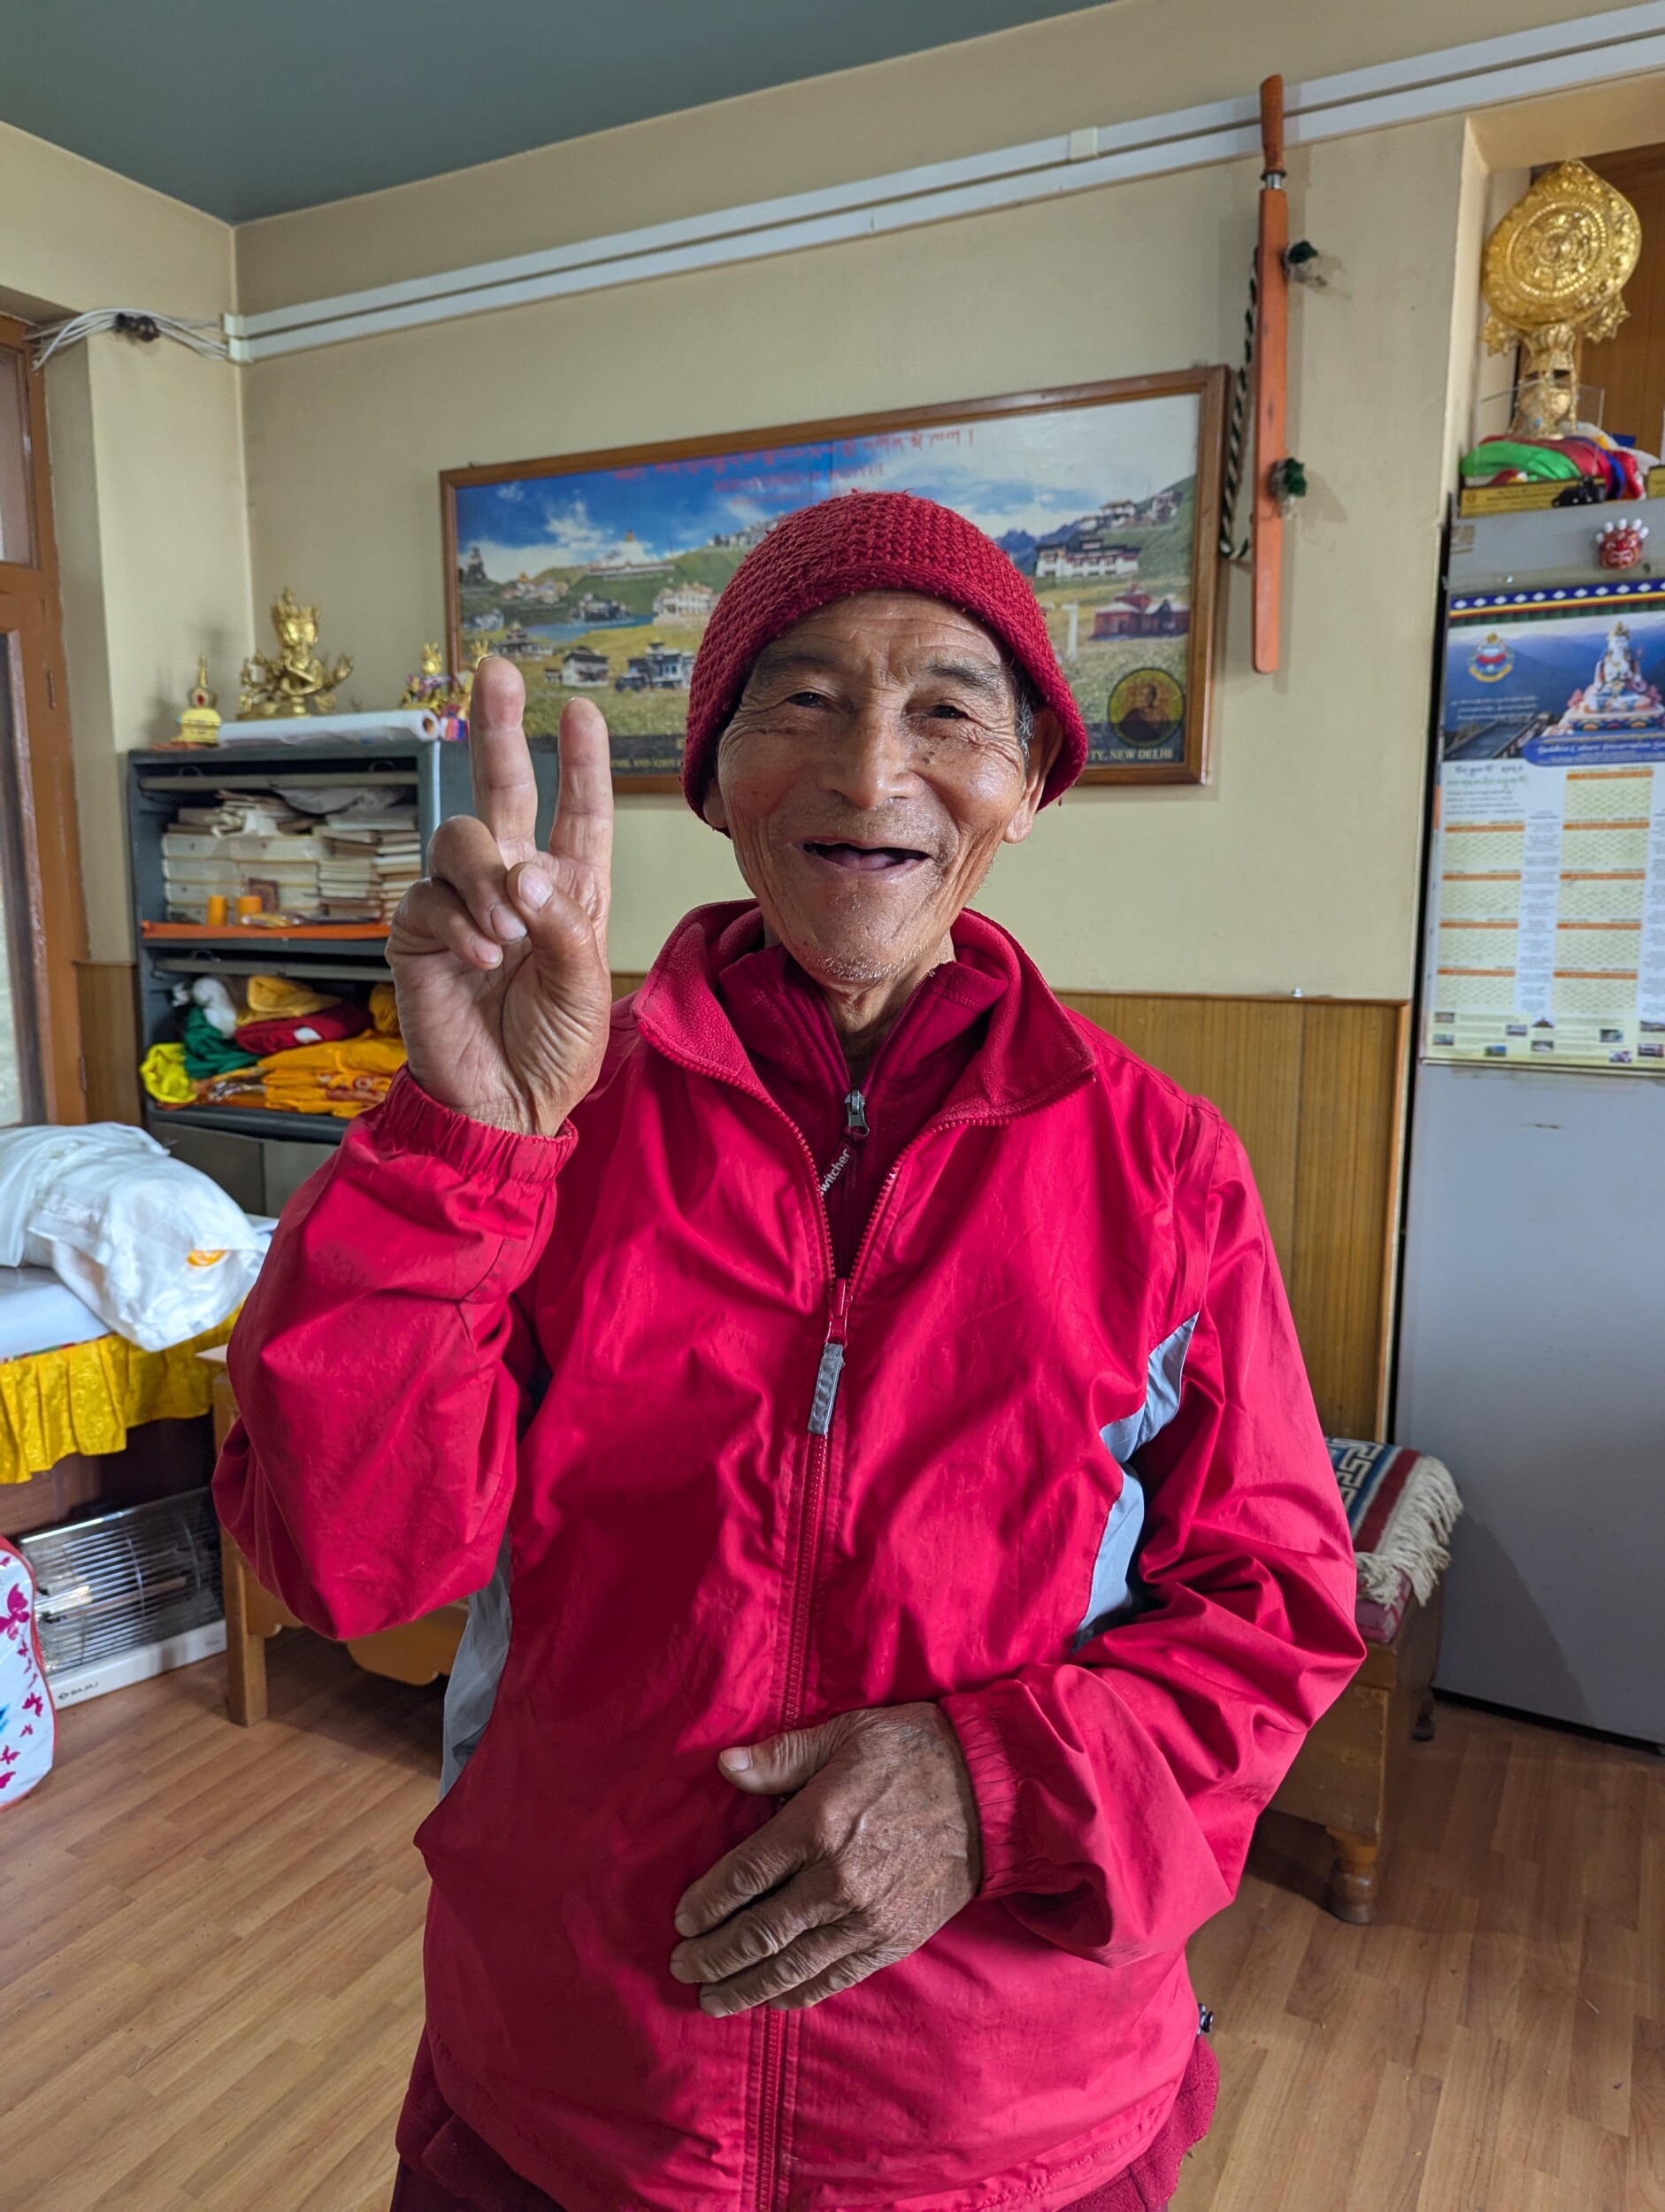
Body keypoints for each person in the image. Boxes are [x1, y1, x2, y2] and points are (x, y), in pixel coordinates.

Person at [214, 492, 1364, 2212]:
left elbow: (1269, 1609)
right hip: (574, 2083)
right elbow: (352, 1560)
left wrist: (992, 1790)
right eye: (801, 699)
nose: (868, 770)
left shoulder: (1162, 1164)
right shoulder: (546, 1123)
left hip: (1007, 2114)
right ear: (715, 773)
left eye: (947, 710)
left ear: (1032, 784)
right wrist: (458, 1146)